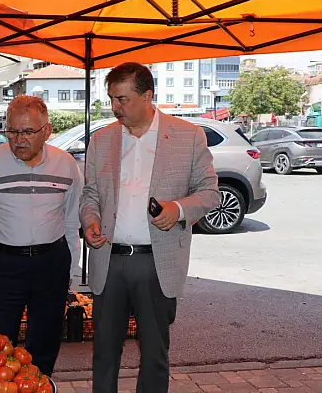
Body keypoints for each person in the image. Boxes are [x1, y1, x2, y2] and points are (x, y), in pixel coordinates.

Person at [79, 63, 220, 393]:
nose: (115, 108)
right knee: (104, 354)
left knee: (155, 354)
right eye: (112, 98)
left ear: (148, 96)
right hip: (108, 260)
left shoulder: (188, 136)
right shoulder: (101, 140)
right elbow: (90, 195)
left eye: (123, 99)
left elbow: (210, 192)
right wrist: (91, 220)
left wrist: (179, 208)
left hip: (157, 262)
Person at [0, 95, 82, 376]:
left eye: (28, 132)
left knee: (45, 344)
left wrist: (71, 270)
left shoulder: (66, 165)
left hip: (51, 264)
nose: (18, 140)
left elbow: (72, 220)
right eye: (11, 131)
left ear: (47, 131)